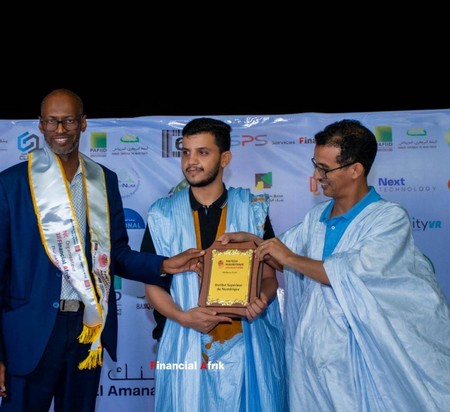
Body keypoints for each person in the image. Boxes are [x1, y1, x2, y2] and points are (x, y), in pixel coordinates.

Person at [219, 119, 450, 411]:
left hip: (366, 364)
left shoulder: (388, 219)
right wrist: (252, 243)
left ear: (356, 169)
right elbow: (281, 256)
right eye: (315, 165)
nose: (316, 175)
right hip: (311, 366)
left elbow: (350, 271)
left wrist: (288, 257)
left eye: (325, 168)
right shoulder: (315, 218)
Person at [0, 89, 204, 412]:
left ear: (83, 123)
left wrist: (165, 264)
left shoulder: (103, 180)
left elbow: (116, 253)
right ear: (40, 125)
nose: (60, 129)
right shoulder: (11, 184)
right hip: (29, 334)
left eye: (69, 121)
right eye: (52, 121)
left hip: (87, 328)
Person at [140, 117, 287, 411]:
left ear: (225, 159)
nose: (191, 162)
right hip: (184, 346)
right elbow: (152, 285)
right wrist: (183, 317)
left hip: (246, 349)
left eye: (203, 152)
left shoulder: (252, 209)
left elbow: (269, 277)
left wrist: (261, 299)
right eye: (186, 152)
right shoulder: (162, 214)